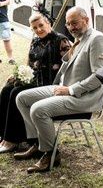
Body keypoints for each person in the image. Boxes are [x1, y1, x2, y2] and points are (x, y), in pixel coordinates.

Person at [15, 6, 103, 173]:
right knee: (22, 98)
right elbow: (68, 66)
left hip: (82, 97)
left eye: (74, 23)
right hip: (64, 88)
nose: (71, 27)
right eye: (68, 24)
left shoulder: (97, 39)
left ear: (86, 20)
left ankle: (50, 154)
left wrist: (70, 90)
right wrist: (58, 84)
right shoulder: (80, 38)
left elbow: (99, 76)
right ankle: (38, 144)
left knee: (38, 109)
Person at [0, 13, 71, 154]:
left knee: (16, 93)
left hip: (50, 84)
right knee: (7, 89)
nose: (38, 30)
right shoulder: (35, 40)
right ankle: (3, 134)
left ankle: (12, 140)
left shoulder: (61, 40)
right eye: (34, 28)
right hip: (35, 80)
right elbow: (29, 64)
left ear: (48, 24)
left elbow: (69, 68)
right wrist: (17, 76)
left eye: (41, 26)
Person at [0, 0, 15, 64]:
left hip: (2, 19)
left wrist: (1, 4)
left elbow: (9, 1)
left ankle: (10, 58)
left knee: (6, 39)